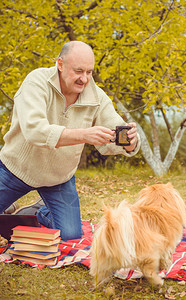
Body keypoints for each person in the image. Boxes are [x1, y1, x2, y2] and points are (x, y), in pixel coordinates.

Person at [0, 41, 140, 241]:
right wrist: (83, 134)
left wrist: (130, 142)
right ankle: (10, 207)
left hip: (58, 178)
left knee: (70, 236)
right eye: (79, 71)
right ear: (60, 64)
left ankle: (37, 211)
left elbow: (113, 131)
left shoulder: (96, 97)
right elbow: (34, 131)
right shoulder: (36, 82)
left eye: (89, 72)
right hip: (16, 169)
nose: (84, 79)